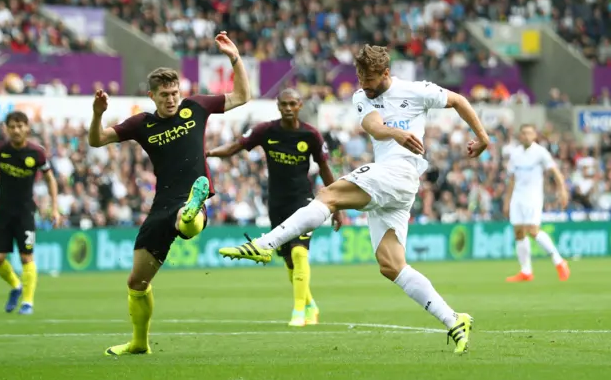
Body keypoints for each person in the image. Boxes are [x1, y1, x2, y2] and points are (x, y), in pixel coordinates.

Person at [219, 44, 491, 354]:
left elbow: (458, 100)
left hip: (400, 173)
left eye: (370, 78)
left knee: (328, 195)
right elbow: (372, 125)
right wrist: (396, 133)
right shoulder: (362, 95)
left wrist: (482, 137)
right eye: (360, 76)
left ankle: (263, 245)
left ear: (386, 73)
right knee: (391, 265)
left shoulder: (417, 91)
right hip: (394, 184)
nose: (363, 83)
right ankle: (454, 319)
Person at [88, 32, 251, 356]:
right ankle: (139, 343)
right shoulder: (142, 124)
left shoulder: (197, 107)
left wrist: (235, 58)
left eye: (175, 92)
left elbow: (242, 96)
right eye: (164, 95)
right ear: (152, 95)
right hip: (161, 203)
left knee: (186, 219)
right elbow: (97, 140)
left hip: (191, 195)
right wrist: (97, 113)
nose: (172, 99)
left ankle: (192, 210)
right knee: (137, 282)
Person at [206, 88, 342, 327]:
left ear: (300, 105)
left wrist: (336, 206)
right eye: (284, 104)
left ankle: (299, 311)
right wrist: (207, 152)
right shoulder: (266, 131)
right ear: (278, 106)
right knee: (289, 261)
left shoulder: (311, 135)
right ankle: (310, 303)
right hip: (277, 203)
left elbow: (325, 169)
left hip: (303, 202)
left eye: (293, 104)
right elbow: (235, 147)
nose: (288, 108)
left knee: (300, 253)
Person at [0, 111, 60, 315]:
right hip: (3, 212)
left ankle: (28, 302)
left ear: (27, 128)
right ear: (7, 129)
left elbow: (50, 179)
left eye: (20, 126)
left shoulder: (36, 153)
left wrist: (54, 207)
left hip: (25, 213)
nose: (16, 130)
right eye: (12, 126)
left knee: (26, 257)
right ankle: (16, 285)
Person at [503, 124, 570, 282]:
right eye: (523, 133)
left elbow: (555, 171)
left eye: (529, 133)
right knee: (519, 232)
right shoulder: (515, 154)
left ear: (534, 136)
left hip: (533, 197)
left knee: (533, 231)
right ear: (520, 136)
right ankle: (526, 271)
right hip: (517, 197)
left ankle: (559, 261)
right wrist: (507, 200)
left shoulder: (540, 152)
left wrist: (562, 190)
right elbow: (512, 179)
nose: (526, 136)